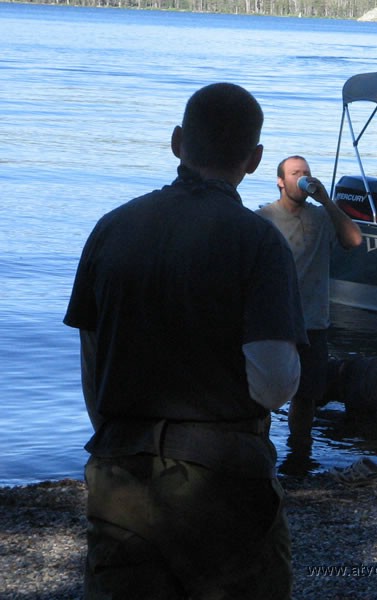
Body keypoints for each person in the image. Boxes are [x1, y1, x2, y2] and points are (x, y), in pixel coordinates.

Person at [64, 83, 307, 599]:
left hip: (119, 475)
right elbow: (273, 385)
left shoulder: (111, 229)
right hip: (224, 482)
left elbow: (92, 361)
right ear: (256, 158)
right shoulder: (260, 242)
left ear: (177, 142)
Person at [256, 156, 362, 446]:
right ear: (280, 181)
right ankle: (261, 453)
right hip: (275, 321)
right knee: (263, 395)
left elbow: (354, 241)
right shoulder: (263, 219)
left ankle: (299, 456)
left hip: (313, 323)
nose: (303, 178)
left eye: (307, 173)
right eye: (295, 173)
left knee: (306, 397)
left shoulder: (322, 217)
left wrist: (328, 201)